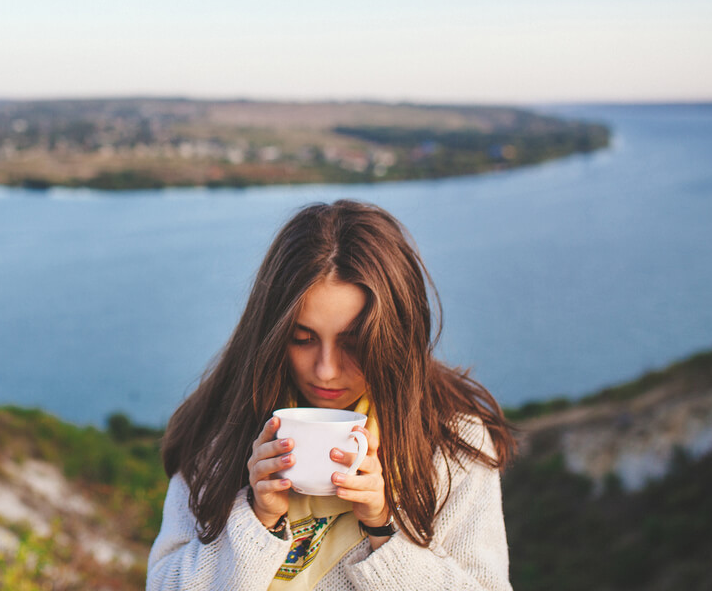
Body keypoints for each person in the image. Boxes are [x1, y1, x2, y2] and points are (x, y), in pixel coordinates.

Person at [147, 200, 516, 590]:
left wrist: (382, 530)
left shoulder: (452, 443)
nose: (325, 370)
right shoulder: (223, 431)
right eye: (302, 339)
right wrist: (257, 520)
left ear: (395, 339)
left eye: (355, 345)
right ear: (271, 334)